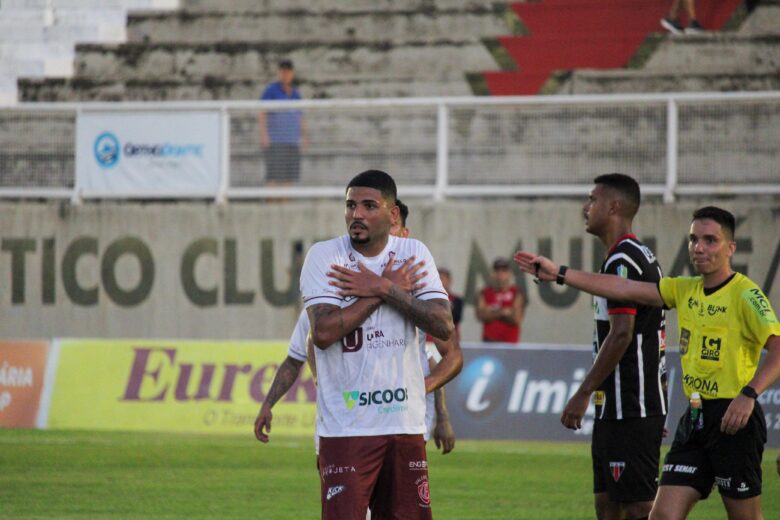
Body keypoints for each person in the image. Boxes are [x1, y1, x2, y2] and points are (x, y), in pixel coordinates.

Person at [515, 206, 780, 520]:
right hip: (695, 416)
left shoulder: (746, 295)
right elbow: (623, 287)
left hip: (732, 420)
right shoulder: (684, 289)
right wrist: (560, 273)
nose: (699, 247)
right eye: (694, 239)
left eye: (711, 240)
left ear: (731, 248)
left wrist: (748, 394)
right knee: (662, 515)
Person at [300, 170, 461, 519]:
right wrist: (383, 287)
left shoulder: (413, 252)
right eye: (350, 205)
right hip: (347, 426)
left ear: (392, 215)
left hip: (404, 423)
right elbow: (324, 333)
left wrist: (384, 288)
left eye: (368, 205)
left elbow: (443, 326)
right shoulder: (324, 257)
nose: (356, 214)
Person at [254, 200, 458, 456]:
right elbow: (302, 351)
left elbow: (444, 355)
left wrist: (439, 410)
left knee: (399, 495)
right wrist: (269, 403)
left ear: (403, 235)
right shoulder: (331, 289)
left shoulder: (415, 289)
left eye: (393, 230)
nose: (385, 239)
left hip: (400, 420)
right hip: (344, 424)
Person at [559, 174, 667, 520]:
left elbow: (622, 333)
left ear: (614, 207)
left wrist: (583, 391)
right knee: (607, 505)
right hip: (620, 407)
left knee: (636, 507)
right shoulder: (629, 256)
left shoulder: (624, 260)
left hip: (630, 407)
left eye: (592, 200)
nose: (585, 208)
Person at [258, 59, 307, 185]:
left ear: (292, 73)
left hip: (292, 141)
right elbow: (262, 113)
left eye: (288, 71)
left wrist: (304, 137)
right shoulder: (271, 90)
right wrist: (264, 135)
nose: (286, 75)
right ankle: (271, 204)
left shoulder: (295, 93)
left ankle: (285, 204)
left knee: (288, 177)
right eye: (283, 72)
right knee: (273, 177)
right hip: (276, 142)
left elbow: (300, 117)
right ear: (279, 73)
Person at [476, 257, 525, 343]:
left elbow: (516, 318)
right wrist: (504, 311)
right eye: (497, 270)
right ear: (492, 273)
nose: (500, 274)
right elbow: (481, 315)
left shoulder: (517, 293)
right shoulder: (484, 292)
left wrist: (492, 311)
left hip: (510, 344)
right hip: (489, 342)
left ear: (510, 273)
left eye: (504, 270)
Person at [430, 267, 463, 343]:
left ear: (449, 280)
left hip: (450, 340)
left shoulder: (457, 300)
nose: (440, 281)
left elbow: (456, 318)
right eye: (437, 278)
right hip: (431, 341)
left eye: (442, 278)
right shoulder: (428, 298)